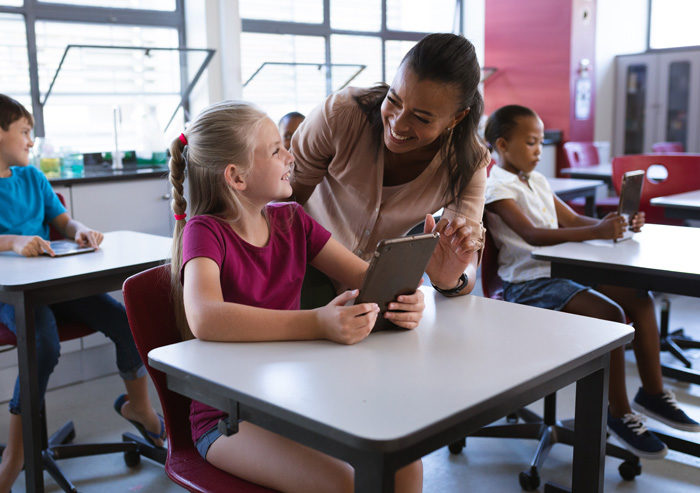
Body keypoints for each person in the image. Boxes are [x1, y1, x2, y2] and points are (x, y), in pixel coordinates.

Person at [168, 100, 424, 493]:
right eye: (276, 150)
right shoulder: (204, 232)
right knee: (344, 482)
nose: (291, 156)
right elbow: (206, 317)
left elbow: (368, 279)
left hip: (294, 397)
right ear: (236, 177)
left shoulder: (292, 220)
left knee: (404, 462)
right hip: (230, 418)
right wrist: (317, 322)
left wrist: (407, 296)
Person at [483, 104, 700, 459]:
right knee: (610, 316)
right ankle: (618, 413)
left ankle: (653, 394)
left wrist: (615, 223)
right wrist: (596, 230)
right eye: (531, 143)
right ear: (502, 145)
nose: (539, 150)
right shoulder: (497, 187)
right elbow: (532, 235)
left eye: (540, 142)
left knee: (638, 296)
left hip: (561, 273)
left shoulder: (535, 179)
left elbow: (568, 219)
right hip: (528, 285)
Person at [0, 94, 165, 491]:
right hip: (10, 295)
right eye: (24, 131)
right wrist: (13, 242)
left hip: (53, 283)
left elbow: (62, 219)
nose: (30, 141)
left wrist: (79, 230)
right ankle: (16, 453)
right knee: (43, 343)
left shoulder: (32, 177)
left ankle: (138, 406)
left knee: (127, 321)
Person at [290, 33, 489, 303]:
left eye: (421, 118)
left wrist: (451, 279)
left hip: (375, 289)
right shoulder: (340, 115)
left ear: (457, 118)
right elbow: (281, 208)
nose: (398, 123)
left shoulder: (468, 163)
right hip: (303, 265)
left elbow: (464, 262)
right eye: (393, 100)